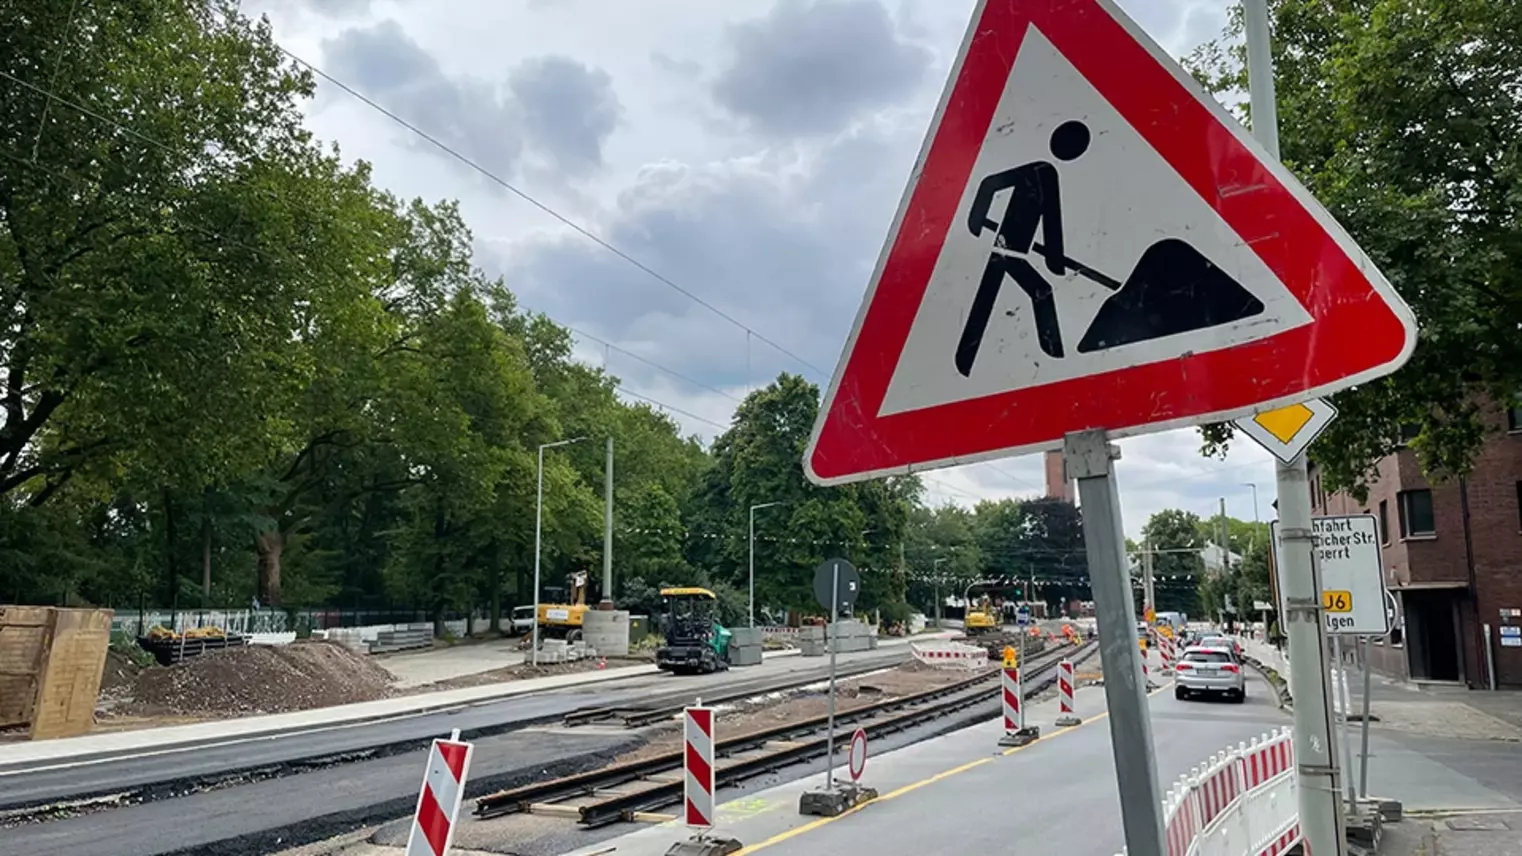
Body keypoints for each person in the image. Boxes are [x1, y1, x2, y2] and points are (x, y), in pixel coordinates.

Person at [957, 120, 1092, 371]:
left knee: (990, 299)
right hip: (1003, 248)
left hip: (1014, 252)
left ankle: (964, 361)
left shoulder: (1047, 173)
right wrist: (975, 220)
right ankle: (1054, 356)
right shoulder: (1040, 170)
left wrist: (1055, 259)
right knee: (1033, 292)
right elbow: (989, 184)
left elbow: (1052, 221)